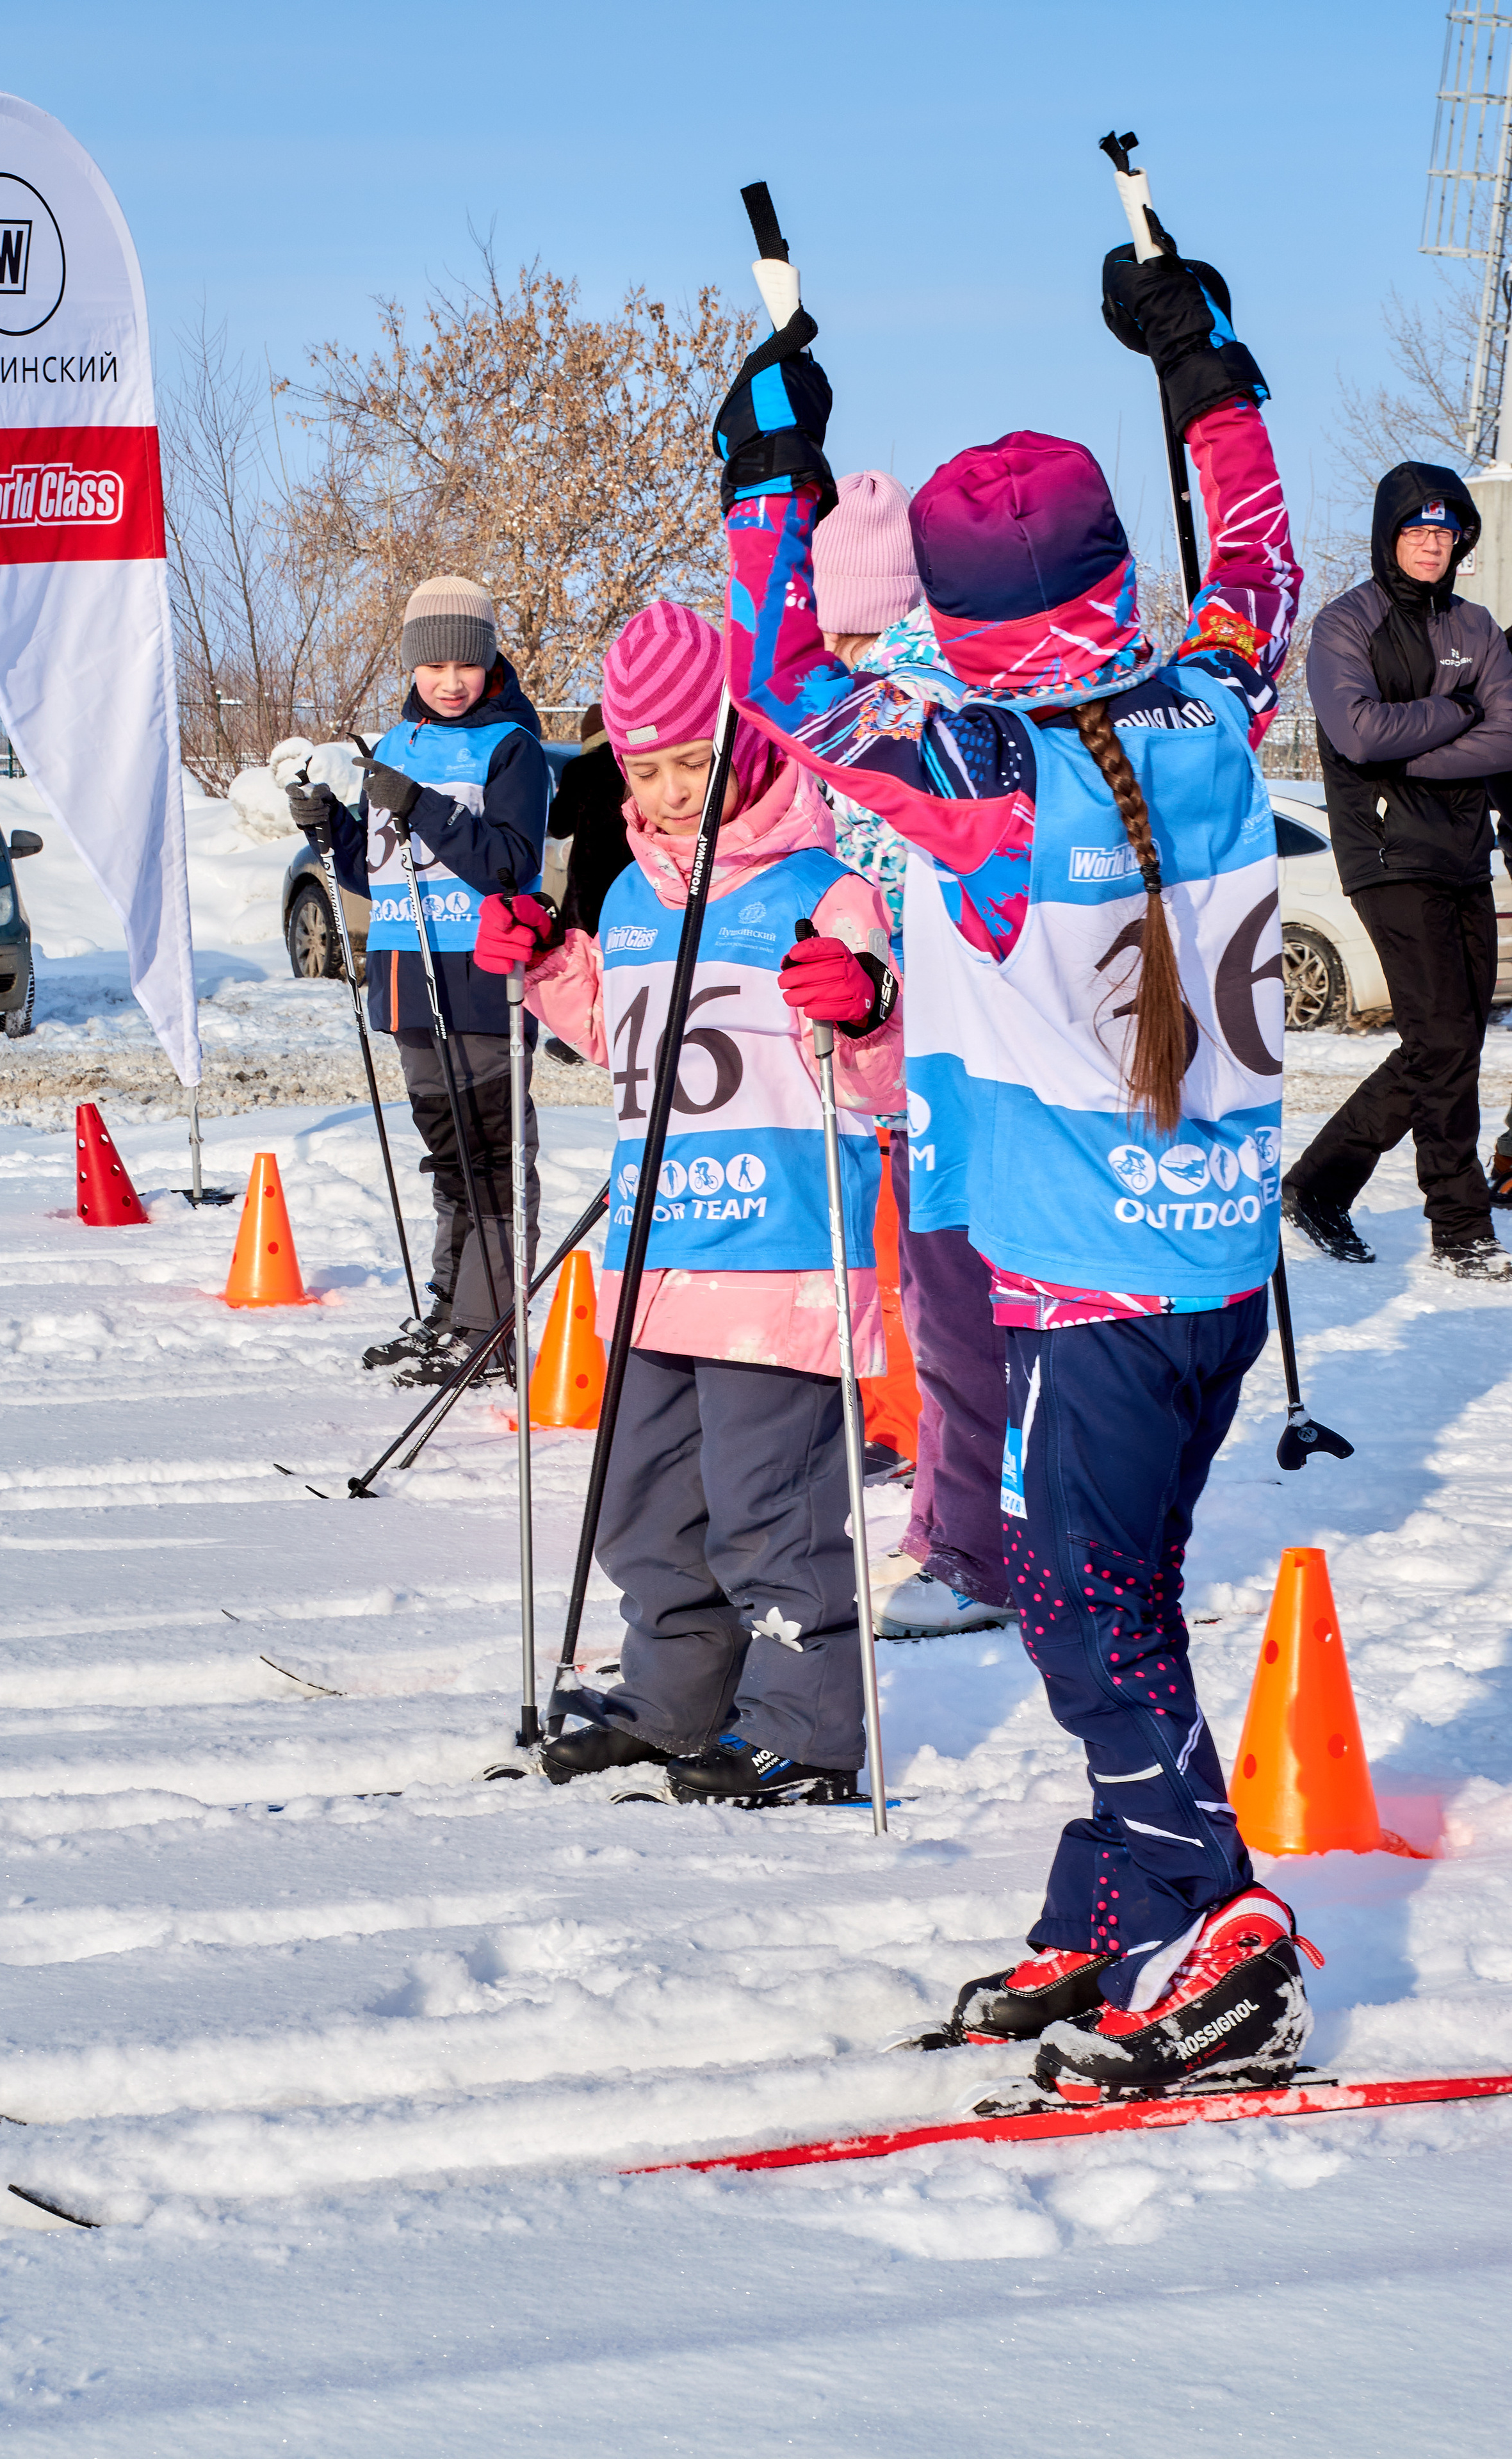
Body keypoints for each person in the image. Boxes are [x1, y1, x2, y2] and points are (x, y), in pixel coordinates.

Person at [711, 222, 1320, 2090]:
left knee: (1074, 1596)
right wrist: (1204, 366)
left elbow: (784, 687)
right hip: (1207, 1264)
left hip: (1096, 1273)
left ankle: (1204, 1907)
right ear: (1112, 583)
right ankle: (1109, 1898)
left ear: (961, 623)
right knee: (1098, 1573)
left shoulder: (982, 777)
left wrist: (766, 477)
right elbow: (1260, 563)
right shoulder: (1213, 691)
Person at [473, 599, 904, 1805]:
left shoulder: (829, 888)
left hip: (777, 1261)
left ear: (751, 743)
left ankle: (805, 1728)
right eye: (646, 768)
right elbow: (628, 1046)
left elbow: (887, 1078)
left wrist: (861, 1005)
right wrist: (553, 965)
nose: (670, 792)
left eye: (693, 764)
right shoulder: (631, 902)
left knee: (773, 1517)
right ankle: (675, 1698)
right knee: (642, 1507)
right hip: (658, 1253)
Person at [814, 470, 1016, 1641]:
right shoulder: (943, 689)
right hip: (932, 1045)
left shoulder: (896, 708)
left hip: (926, 1052)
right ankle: (956, 1512)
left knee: (950, 1306)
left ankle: (969, 1547)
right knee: (941, 1298)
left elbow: (888, 890)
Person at [287, 576, 549, 1383]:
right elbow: (376, 873)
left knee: (491, 1155)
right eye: (432, 664)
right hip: (405, 980)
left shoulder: (511, 747)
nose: (448, 680)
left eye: (464, 664)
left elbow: (511, 863)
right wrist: (329, 826)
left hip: (478, 976)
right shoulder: (394, 746)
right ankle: (448, 1307)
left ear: (487, 662)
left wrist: (427, 808)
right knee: (447, 1156)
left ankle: (489, 1325)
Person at [1280, 471, 1512, 1278]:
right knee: (1442, 1039)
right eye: (1415, 532)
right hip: (1385, 854)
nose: (1429, 545)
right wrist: (1456, 715)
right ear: (1388, 537)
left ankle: (1317, 1184)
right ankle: (1460, 1225)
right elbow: (1356, 732)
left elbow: (1507, 737)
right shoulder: (1346, 624)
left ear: (1460, 544)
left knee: (1447, 1040)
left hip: (1460, 854)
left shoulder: (1475, 627)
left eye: (1444, 535)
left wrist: (1405, 743)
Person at [539, 701, 632, 1066]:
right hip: (638, 880)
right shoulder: (638, 765)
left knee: (586, 965)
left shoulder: (582, 769)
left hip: (591, 884)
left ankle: (579, 1038)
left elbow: (557, 826)